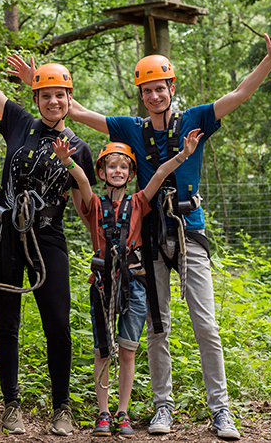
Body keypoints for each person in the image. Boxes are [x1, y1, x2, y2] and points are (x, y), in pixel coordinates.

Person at [9, 26, 271, 440]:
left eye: (159, 89)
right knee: (158, 325)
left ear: (171, 87)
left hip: (188, 233)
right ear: (141, 94)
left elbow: (239, 96)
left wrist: (270, 58)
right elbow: (76, 112)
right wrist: (38, 83)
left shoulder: (195, 119)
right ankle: (163, 406)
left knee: (206, 324)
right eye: (147, 90)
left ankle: (221, 410)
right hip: (148, 240)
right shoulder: (130, 129)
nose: (154, 96)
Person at [0, 19, 96, 436]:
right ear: (36, 97)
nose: (52, 102)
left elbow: (86, 204)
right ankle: (12, 406)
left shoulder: (80, 147)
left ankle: (62, 408)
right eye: (45, 96)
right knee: (8, 324)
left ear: (69, 97)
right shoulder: (19, 123)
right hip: (6, 234)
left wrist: (74, 170)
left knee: (58, 324)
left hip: (48, 237)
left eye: (59, 96)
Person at [53, 131, 199, 438]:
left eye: (123, 166)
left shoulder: (139, 202)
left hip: (133, 282)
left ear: (131, 173)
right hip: (103, 283)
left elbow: (159, 174)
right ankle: (103, 414)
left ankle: (123, 412)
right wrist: (67, 160)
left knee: (128, 350)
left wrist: (183, 155)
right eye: (111, 166)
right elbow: (80, 179)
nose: (117, 171)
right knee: (103, 351)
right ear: (102, 173)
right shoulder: (93, 204)